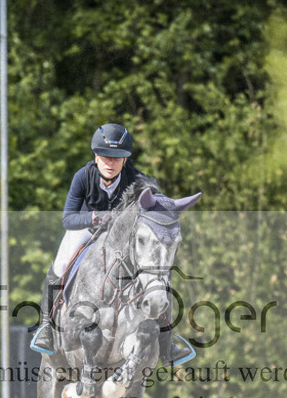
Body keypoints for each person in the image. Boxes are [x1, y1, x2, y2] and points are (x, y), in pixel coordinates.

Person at [31, 123, 190, 365]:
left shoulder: (137, 179)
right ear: (96, 156)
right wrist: (97, 217)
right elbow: (68, 218)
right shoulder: (83, 177)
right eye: (105, 156)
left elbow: (155, 205)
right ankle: (46, 327)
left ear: (125, 160)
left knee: (155, 271)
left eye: (117, 158)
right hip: (87, 229)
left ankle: (168, 343)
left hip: (122, 238)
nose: (110, 163)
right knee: (61, 264)